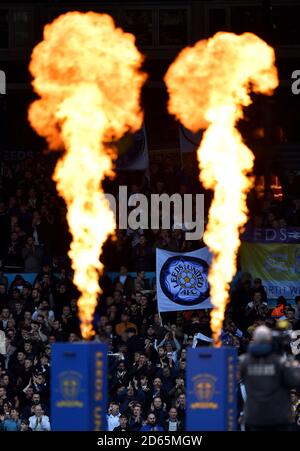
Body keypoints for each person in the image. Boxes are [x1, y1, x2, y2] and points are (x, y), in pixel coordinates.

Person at [240, 325, 300, 431]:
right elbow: (295, 381)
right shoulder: (280, 362)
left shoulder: (245, 361)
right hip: (278, 418)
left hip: (254, 418)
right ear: (270, 340)